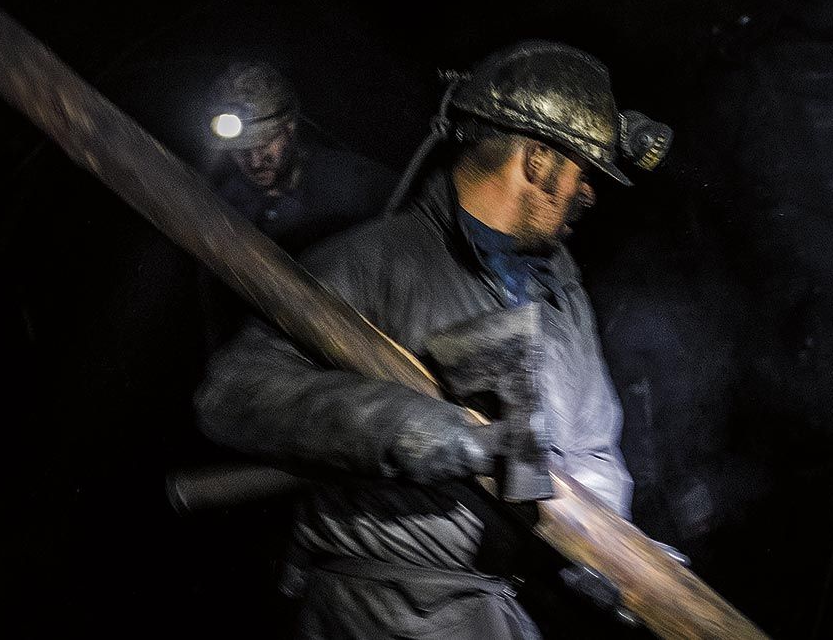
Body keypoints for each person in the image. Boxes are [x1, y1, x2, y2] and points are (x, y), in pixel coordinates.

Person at [195, 41, 648, 639]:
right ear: (537, 161)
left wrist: (605, 543)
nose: (590, 193)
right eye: (583, 171)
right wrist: (395, 427)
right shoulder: (377, 258)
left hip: (500, 613)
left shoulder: (563, 298)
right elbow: (231, 393)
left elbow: (593, 449)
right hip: (375, 610)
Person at [206, 60, 394, 255]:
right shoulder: (224, 207)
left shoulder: (353, 184)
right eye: (239, 150)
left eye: (264, 146)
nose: (254, 162)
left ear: (289, 128)